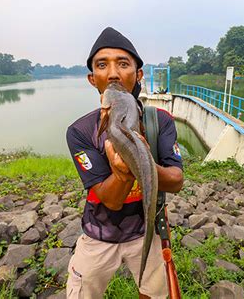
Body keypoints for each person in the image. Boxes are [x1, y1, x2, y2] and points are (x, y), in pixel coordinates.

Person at [65, 27, 184, 299]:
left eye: (123, 63)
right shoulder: (80, 131)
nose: (114, 73)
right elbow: (110, 200)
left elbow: (176, 180)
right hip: (99, 232)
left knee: (155, 292)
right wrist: (121, 175)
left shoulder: (159, 121)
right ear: (92, 78)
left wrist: (143, 165)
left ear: (138, 74)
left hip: (148, 230)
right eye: (102, 65)